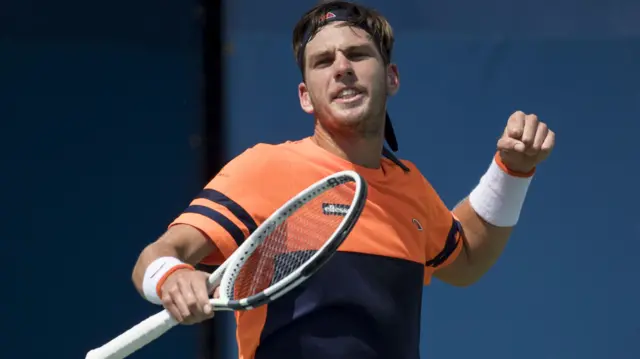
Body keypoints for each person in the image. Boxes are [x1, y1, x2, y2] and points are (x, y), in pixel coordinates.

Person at [131, 1, 555, 358]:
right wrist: (172, 276)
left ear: (391, 77)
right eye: (322, 61)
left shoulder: (410, 187)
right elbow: (158, 255)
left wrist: (512, 171)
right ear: (305, 96)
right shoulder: (264, 169)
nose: (341, 68)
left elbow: (466, 260)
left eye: (357, 54)